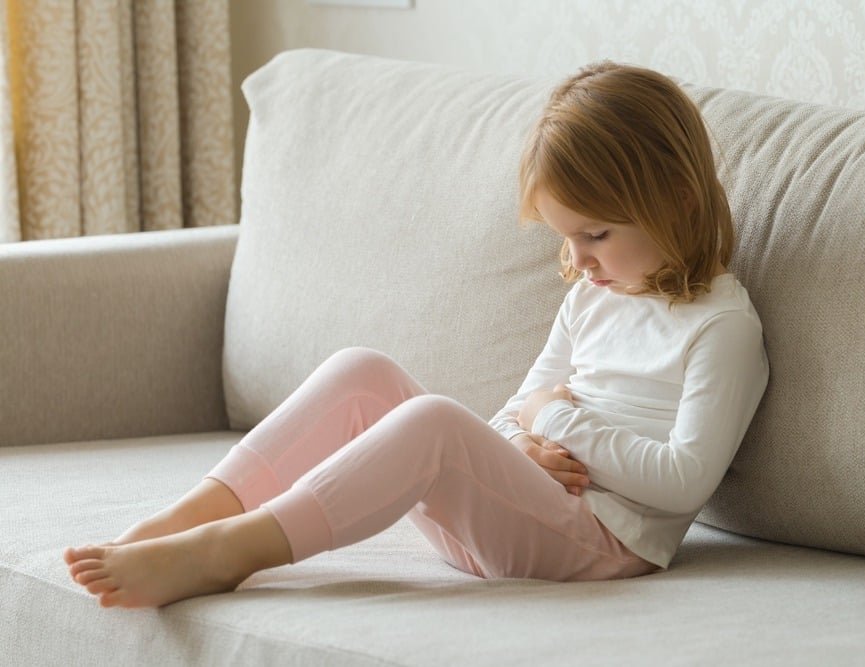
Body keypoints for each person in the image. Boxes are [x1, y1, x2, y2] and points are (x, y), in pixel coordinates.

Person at [63, 61, 769, 609]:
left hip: (603, 544)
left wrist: (557, 421)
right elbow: (512, 410)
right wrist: (524, 442)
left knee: (432, 422)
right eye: (567, 236)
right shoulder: (593, 295)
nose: (579, 259)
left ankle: (227, 550)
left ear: (676, 198)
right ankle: (190, 516)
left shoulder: (722, 327)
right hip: (527, 512)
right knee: (362, 370)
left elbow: (682, 483)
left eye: (597, 234)